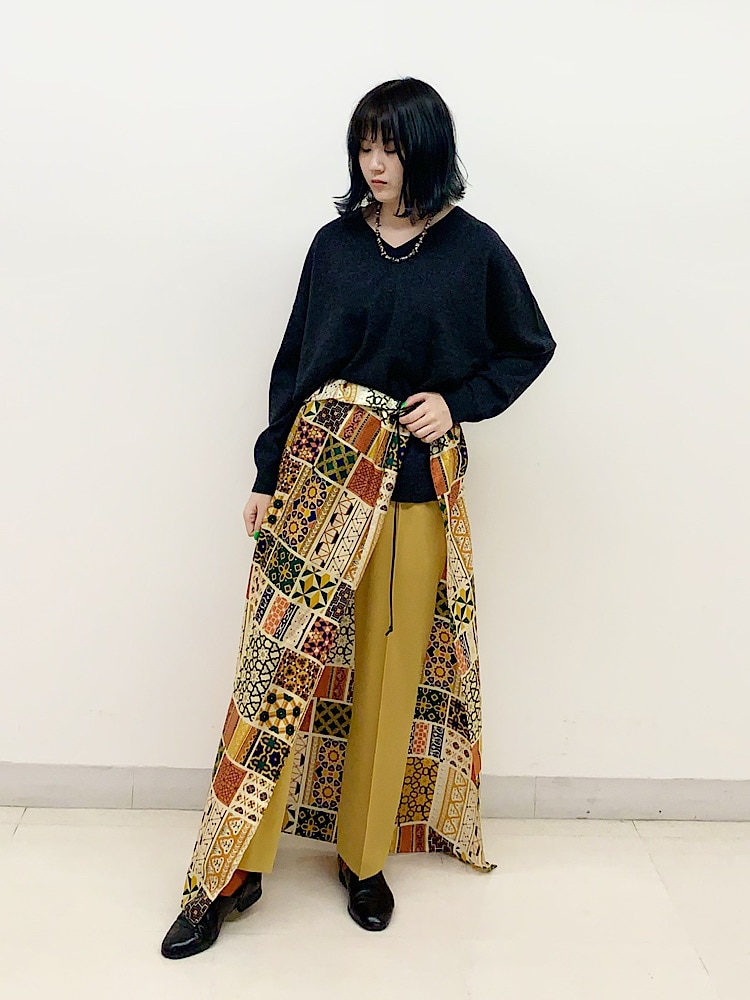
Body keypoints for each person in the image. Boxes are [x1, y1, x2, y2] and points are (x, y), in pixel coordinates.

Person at [161, 77, 556, 960]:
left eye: (391, 147)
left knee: (388, 674)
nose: (375, 164)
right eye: (364, 146)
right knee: (275, 675)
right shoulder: (334, 246)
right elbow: (295, 363)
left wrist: (457, 403)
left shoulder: (473, 250)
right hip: (316, 483)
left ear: (427, 149)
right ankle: (235, 869)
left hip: (412, 488)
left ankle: (363, 857)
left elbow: (529, 344)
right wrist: (267, 472)